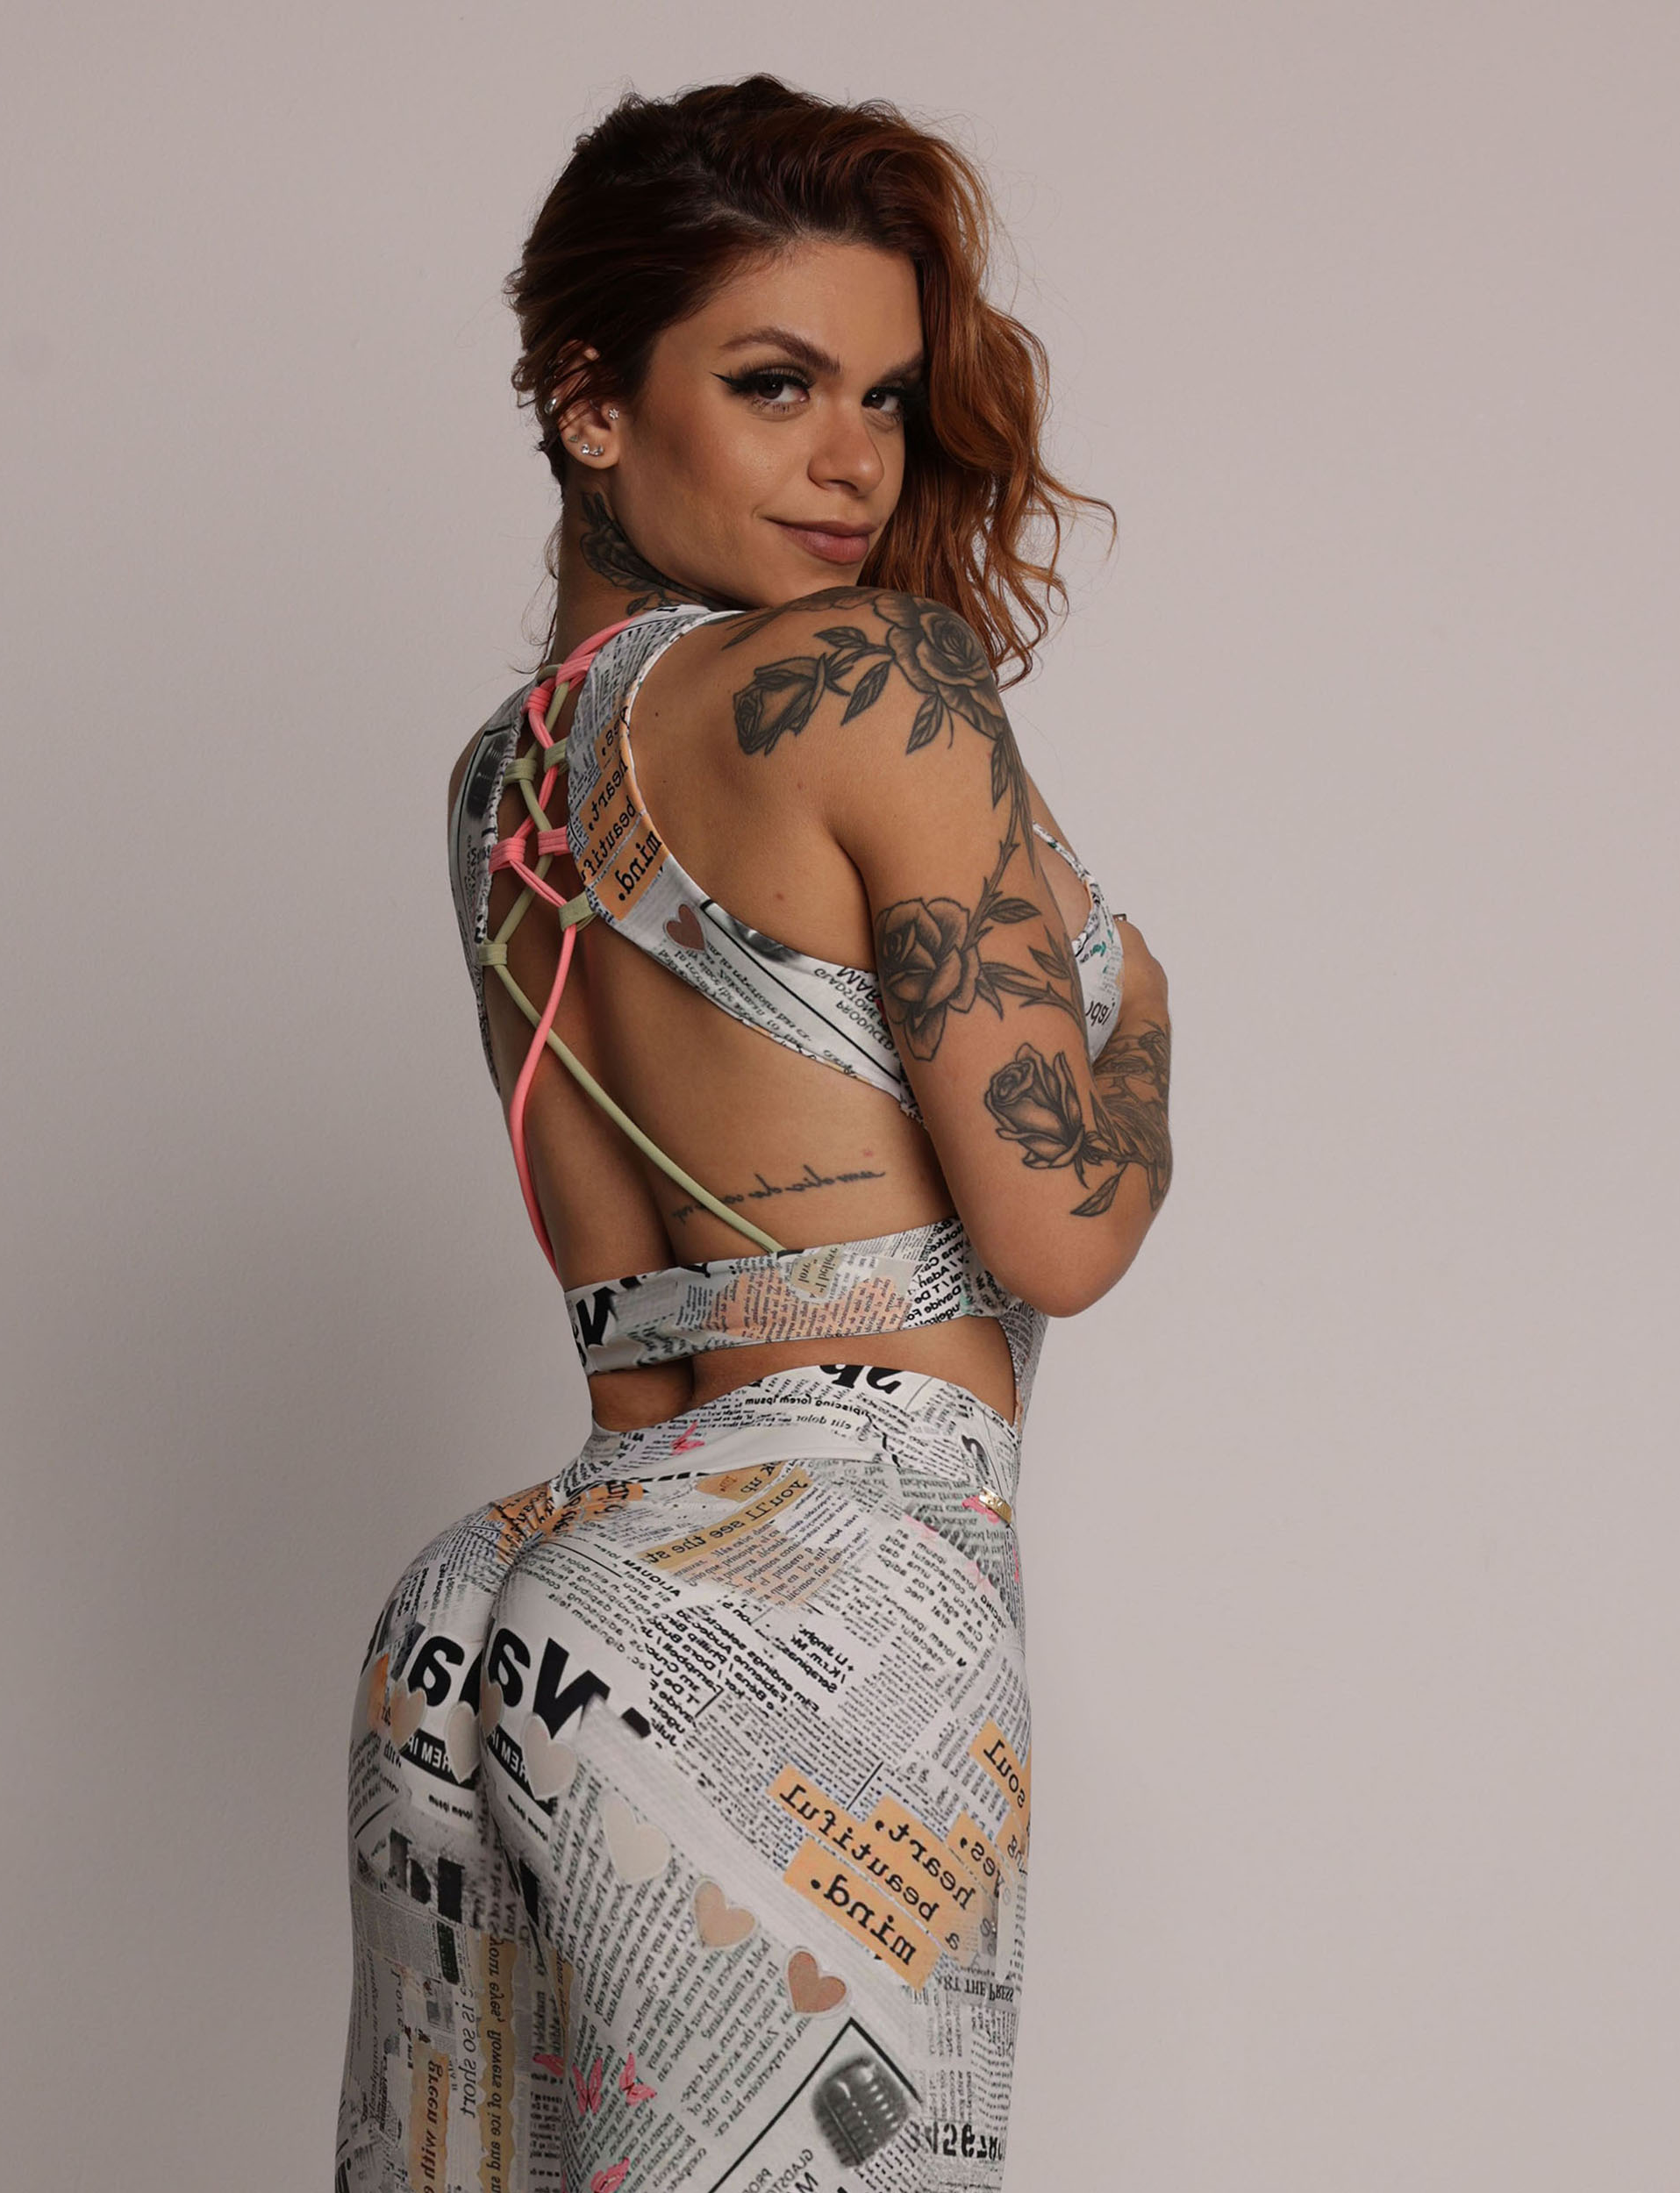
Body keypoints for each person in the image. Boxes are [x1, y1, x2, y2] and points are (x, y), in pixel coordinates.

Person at [339, 77, 1170, 2193]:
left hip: (506, 1595)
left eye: (881, 396)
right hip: (811, 1607)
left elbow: (629, 1311)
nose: (852, 459)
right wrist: (1142, 1017)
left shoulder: (497, 777)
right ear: (588, 402)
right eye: (772, 381)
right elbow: (1057, 1235)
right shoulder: (870, 679)